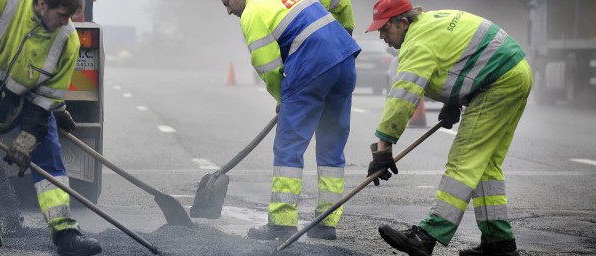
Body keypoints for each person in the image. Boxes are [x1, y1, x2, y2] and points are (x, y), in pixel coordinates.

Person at [364, 0, 531, 255]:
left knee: (464, 160)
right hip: (514, 72)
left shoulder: (416, 42)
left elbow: (403, 95)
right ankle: (500, 243)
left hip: (498, 79)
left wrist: (383, 147)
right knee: (484, 164)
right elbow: (458, 59)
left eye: (385, 29)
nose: (382, 36)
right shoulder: (430, 24)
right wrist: (454, 101)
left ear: (403, 22)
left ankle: (427, 235)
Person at [0, 0, 102, 255]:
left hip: (25, 101)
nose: (67, 23)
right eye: (62, 15)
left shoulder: (68, 40)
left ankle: (65, 232)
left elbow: (43, 103)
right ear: (42, 4)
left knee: (49, 155)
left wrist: (28, 138)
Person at [220, 0, 360, 241]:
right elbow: (341, 3)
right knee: (331, 148)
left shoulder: (253, 13)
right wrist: (345, 32)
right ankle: (326, 223)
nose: (229, 10)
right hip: (344, 59)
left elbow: (269, 66)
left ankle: (282, 222)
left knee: (289, 148)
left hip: (311, 64)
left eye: (227, 2)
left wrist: (282, 97)